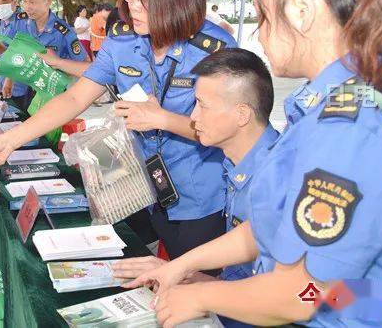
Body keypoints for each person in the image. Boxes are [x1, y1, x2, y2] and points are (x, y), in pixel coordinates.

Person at [128, 0, 382, 327]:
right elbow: (273, 228)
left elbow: (303, 292)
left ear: (302, 11)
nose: (261, 37)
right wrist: (181, 267)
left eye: (265, 18)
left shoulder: (351, 127)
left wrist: (201, 295)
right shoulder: (344, 98)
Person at [0, 0, 237, 261]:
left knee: (195, 288)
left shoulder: (214, 48)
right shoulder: (123, 41)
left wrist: (162, 119)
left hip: (200, 198)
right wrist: (11, 139)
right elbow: (74, 97)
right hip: (139, 188)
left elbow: (232, 132)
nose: (135, 6)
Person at [112, 48, 277, 327]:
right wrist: (179, 273)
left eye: (202, 105)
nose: (193, 118)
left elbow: (293, 298)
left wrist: (200, 292)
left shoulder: (280, 179)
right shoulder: (238, 166)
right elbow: (245, 278)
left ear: (242, 114)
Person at [9, 0, 90, 110]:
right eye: (25, 1)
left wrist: (60, 65)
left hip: (53, 98)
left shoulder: (63, 31)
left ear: (47, 1)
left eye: (32, 2)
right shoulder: (20, 22)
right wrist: (9, 80)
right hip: (23, 93)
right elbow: (10, 52)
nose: (27, 7)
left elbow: (87, 66)